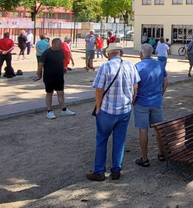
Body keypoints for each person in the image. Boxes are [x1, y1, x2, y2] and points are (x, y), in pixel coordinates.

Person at [87, 43, 139, 181]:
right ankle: (116, 169)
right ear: (120, 52)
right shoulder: (130, 65)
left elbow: (99, 89)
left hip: (107, 110)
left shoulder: (106, 66)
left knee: (102, 139)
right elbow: (135, 86)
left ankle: (99, 171)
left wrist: (98, 107)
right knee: (119, 140)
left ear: (108, 54)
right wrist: (131, 101)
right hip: (125, 109)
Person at [133, 43, 168, 167]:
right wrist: (161, 94)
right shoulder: (160, 65)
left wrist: (133, 100)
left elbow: (135, 87)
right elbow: (165, 82)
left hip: (142, 102)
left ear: (141, 54)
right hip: (156, 100)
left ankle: (145, 158)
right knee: (158, 128)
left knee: (143, 130)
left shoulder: (137, 67)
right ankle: (161, 153)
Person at [42, 38, 75, 119]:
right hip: (49, 77)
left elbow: (61, 62)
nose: (61, 45)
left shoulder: (61, 52)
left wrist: (63, 71)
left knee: (61, 93)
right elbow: (40, 64)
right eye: (59, 44)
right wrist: (39, 75)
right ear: (54, 44)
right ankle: (49, 111)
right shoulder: (47, 53)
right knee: (49, 93)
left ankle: (64, 109)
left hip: (59, 76)